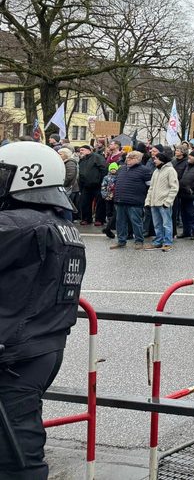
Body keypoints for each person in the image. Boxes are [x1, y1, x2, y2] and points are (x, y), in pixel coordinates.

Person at [0, 142, 86, 479]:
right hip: (40, 347)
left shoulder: (17, 225)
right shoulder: (59, 224)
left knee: (16, 456)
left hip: (14, 354)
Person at [111, 150, 152, 250]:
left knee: (136, 222)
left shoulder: (144, 170)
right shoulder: (121, 169)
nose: (128, 159)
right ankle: (121, 241)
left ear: (138, 160)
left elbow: (150, 186)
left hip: (135, 201)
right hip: (120, 200)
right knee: (120, 222)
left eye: (131, 158)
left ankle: (139, 241)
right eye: (128, 157)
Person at [145, 148, 179, 251]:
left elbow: (174, 187)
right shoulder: (156, 171)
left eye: (156, 159)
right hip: (154, 203)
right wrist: (148, 201)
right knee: (157, 224)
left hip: (164, 203)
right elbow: (151, 187)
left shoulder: (170, 170)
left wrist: (168, 201)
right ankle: (158, 241)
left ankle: (167, 242)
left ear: (162, 160)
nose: (154, 161)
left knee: (166, 224)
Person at [76, 144, 107, 226]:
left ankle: (99, 219)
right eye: (80, 150)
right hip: (85, 185)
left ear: (89, 150)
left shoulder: (97, 157)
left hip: (97, 185)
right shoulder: (82, 160)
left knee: (100, 203)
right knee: (85, 202)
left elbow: (103, 169)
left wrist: (102, 182)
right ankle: (86, 218)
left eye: (82, 150)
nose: (80, 152)